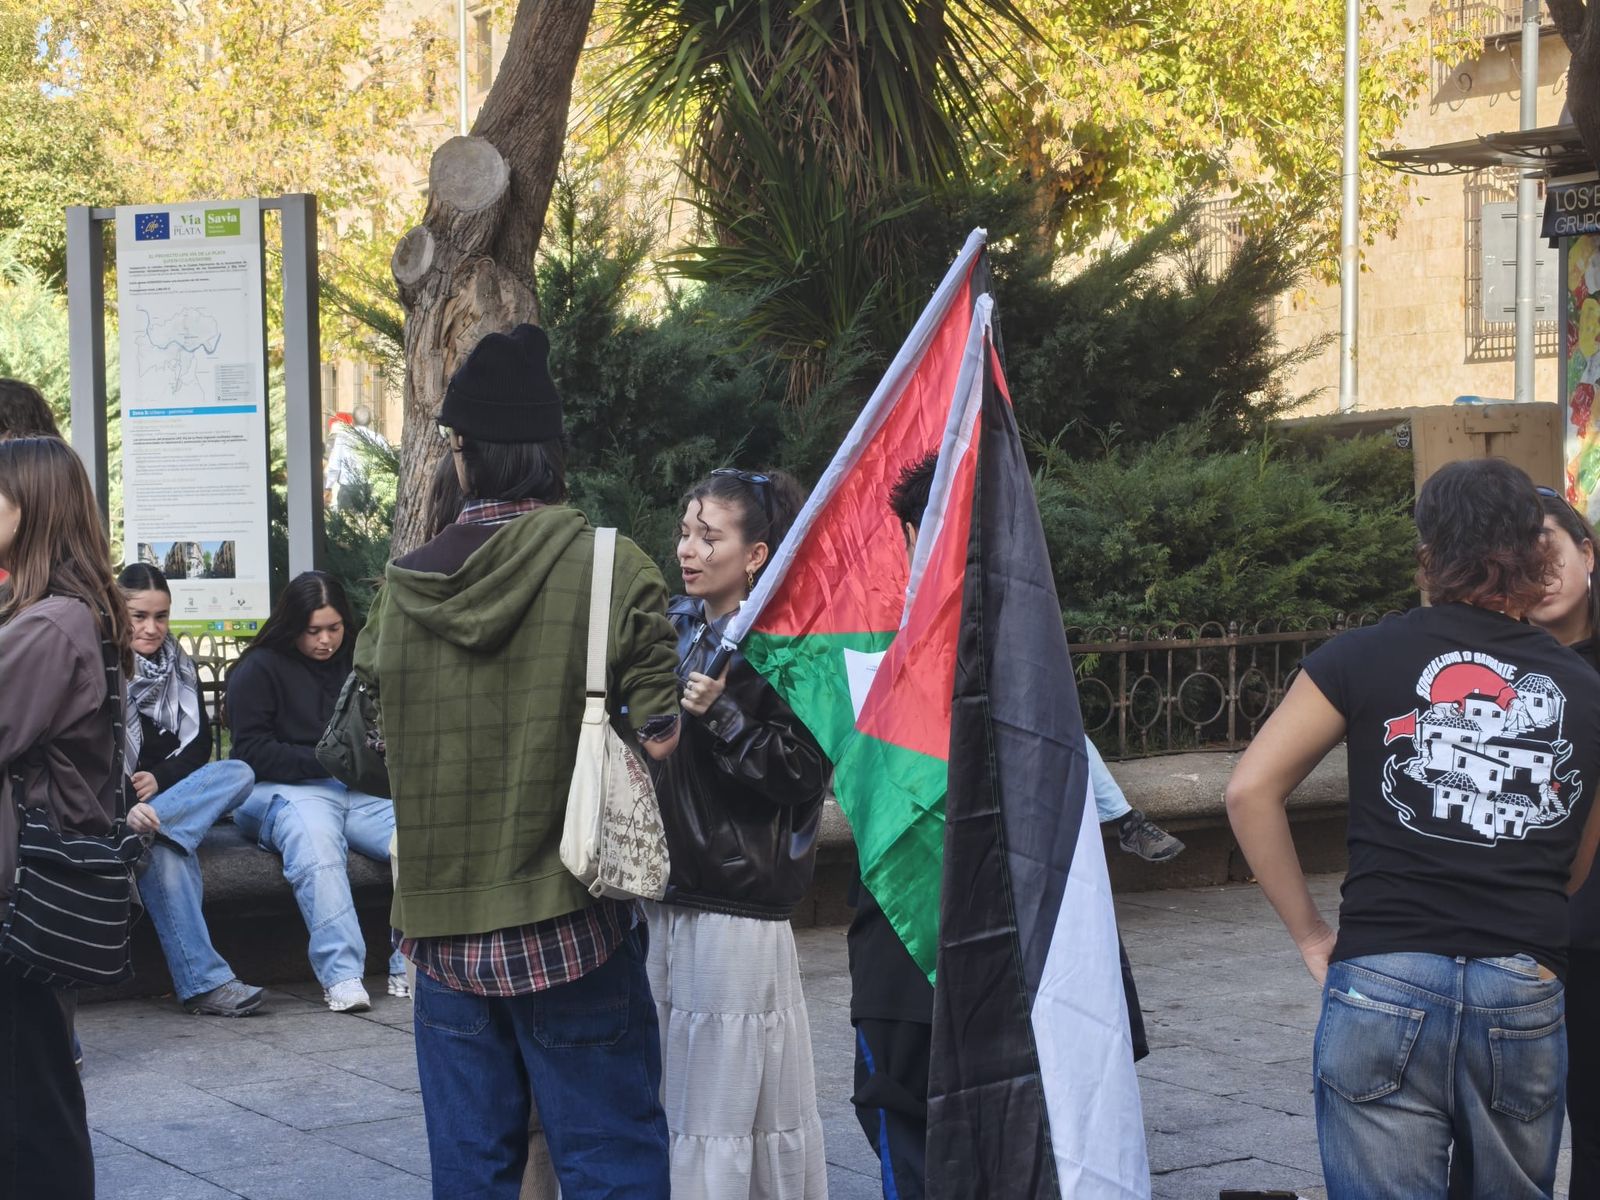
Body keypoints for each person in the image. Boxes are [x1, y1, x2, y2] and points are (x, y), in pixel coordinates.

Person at [355, 322, 681, 1200]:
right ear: (550, 453)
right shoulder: (612, 568)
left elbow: (368, 745)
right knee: (613, 1165)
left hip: (443, 937)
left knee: (471, 1177)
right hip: (573, 923)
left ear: (461, 457)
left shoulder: (402, 590)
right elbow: (660, 738)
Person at [1226, 457, 1600, 1200]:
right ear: (1533, 551)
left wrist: (1309, 935)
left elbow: (1248, 790)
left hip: (1384, 969)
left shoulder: (1363, 655)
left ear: (1428, 551)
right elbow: (1577, 860)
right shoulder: (1584, 690)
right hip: (1521, 979)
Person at [848, 451, 1150, 1199]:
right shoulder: (1027, 656)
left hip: (925, 963)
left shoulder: (860, 661)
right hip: (1025, 960)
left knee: (926, 1155)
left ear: (915, 537)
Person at [648, 466, 831, 1200]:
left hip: (735, 903)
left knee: (725, 1109)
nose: (689, 549)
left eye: (709, 536)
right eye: (686, 532)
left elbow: (804, 773)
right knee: (674, 1097)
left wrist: (724, 715)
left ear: (756, 554)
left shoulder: (792, 646)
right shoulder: (673, 624)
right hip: (662, 893)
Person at [0, 437, 132, 1199]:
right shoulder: (71, 614)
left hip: (20, 898)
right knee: (38, 1096)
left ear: (34, 511)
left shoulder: (49, 627)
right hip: (43, 890)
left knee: (27, 1112)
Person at [228, 571, 407, 1013]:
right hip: (280, 789)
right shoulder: (259, 666)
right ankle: (342, 976)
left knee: (417, 837)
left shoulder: (358, 661)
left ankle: (411, 965)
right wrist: (328, 762)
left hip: (354, 789)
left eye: (334, 628)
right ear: (293, 625)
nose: (325, 640)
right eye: (313, 631)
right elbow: (250, 750)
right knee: (318, 845)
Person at [117, 564, 263, 1015]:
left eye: (161, 616)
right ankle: (207, 985)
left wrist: (160, 778)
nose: (151, 628)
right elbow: (88, 753)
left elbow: (199, 748)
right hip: (118, 806)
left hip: (165, 804)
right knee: (168, 855)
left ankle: (152, 833)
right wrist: (127, 799)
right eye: (139, 616)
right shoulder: (102, 666)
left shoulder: (179, 665)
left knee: (238, 771)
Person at [1527, 485, 1600, 1197]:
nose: (1538, 573)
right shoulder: (1489, 664)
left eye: (1549, 550)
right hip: (1513, 933)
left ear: (1587, 550)